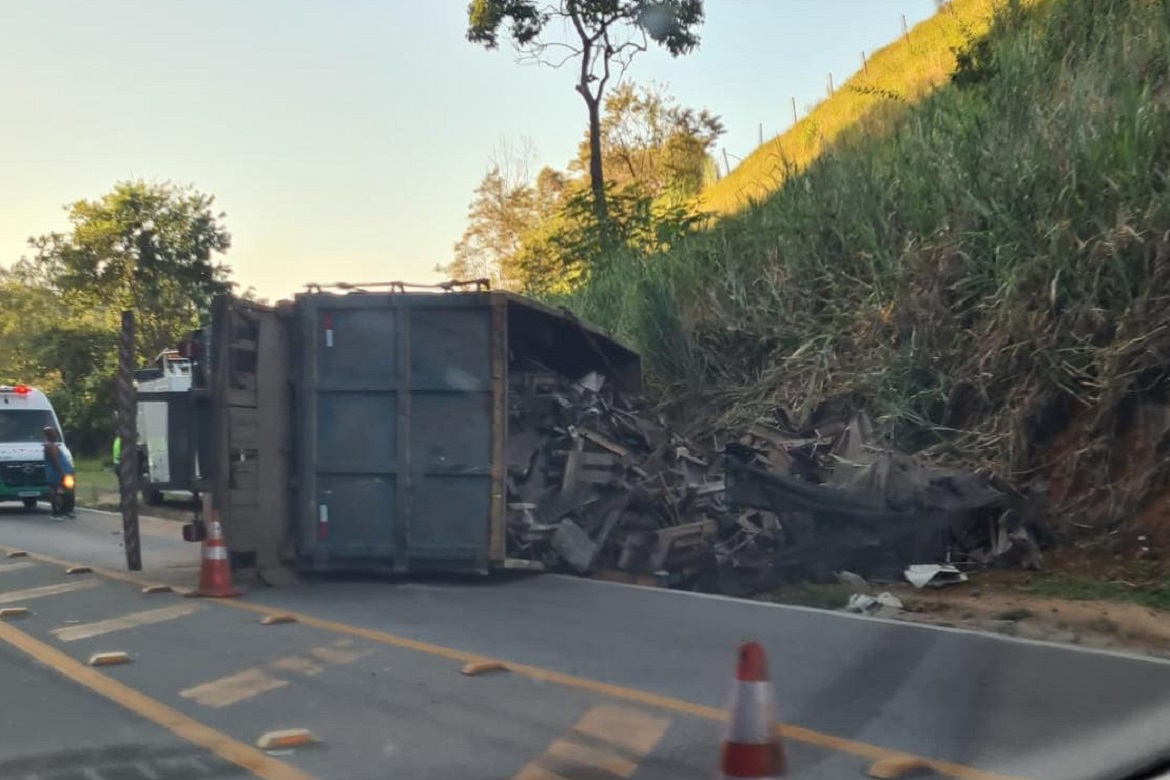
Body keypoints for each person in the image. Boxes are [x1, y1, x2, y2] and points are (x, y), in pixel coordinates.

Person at [43, 426, 76, 520]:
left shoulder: (53, 445)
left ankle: (66, 511)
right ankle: (58, 512)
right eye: (53, 433)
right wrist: (62, 473)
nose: (55, 435)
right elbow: (55, 461)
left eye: (55, 433)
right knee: (58, 492)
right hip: (58, 474)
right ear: (48, 435)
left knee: (67, 491)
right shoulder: (50, 446)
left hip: (65, 471)